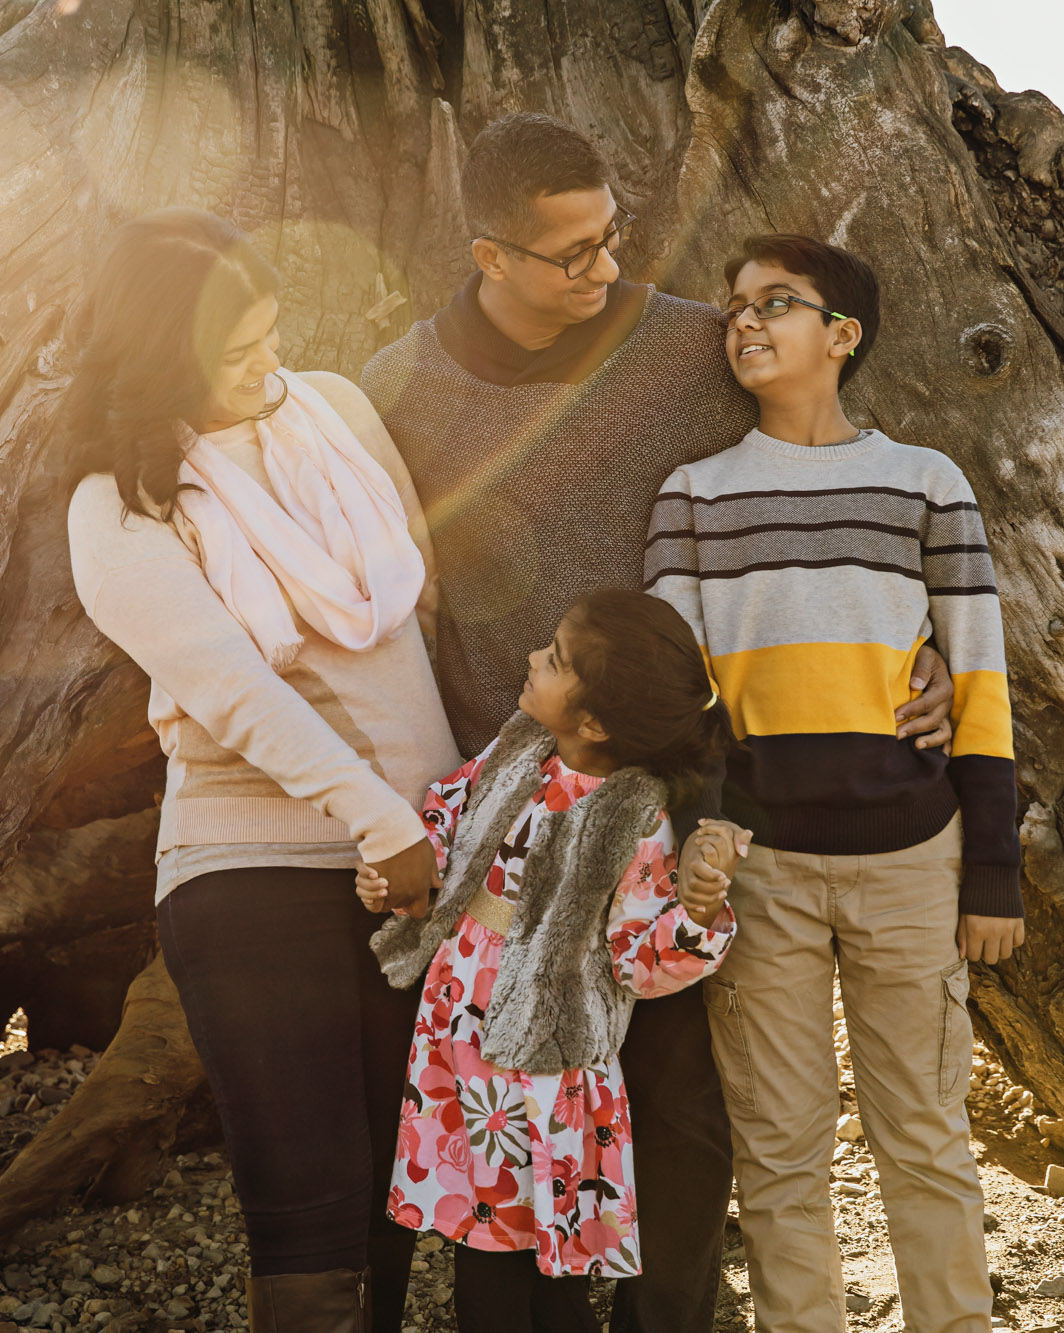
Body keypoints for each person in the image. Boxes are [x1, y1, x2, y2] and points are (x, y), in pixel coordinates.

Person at [358, 111, 958, 1333]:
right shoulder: (398, 389)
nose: (603, 270)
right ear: (489, 255)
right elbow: (380, 595)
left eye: (611, 238)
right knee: (512, 1102)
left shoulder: (690, 345)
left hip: (680, 785)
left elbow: (822, 477)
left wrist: (920, 647)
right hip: (518, 810)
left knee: (681, 1104)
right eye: (570, 253)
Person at [62, 207, 456, 1333]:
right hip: (252, 877)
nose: (268, 365)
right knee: (308, 1209)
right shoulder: (119, 506)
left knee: (393, 1193)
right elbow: (233, 688)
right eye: (236, 354)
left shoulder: (333, 410)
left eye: (272, 333)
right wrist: (380, 818)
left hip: (411, 864)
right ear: (158, 360)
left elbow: (421, 600)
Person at [645, 233, 1025, 1333]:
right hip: (757, 875)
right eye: (733, 309)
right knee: (777, 1149)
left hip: (912, 860)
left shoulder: (923, 483)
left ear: (841, 335)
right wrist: (698, 838)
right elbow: (679, 699)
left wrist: (990, 868)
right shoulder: (693, 497)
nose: (744, 323)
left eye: (776, 303)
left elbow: (981, 675)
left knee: (924, 1138)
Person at [356, 590, 742, 1333]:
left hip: (539, 1064)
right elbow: (447, 816)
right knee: (482, 1233)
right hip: (459, 1038)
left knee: (520, 1246)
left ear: (594, 721)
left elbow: (638, 958)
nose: (534, 658)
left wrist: (695, 916)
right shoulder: (515, 754)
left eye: (556, 658)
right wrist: (400, 869)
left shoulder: (632, 817)